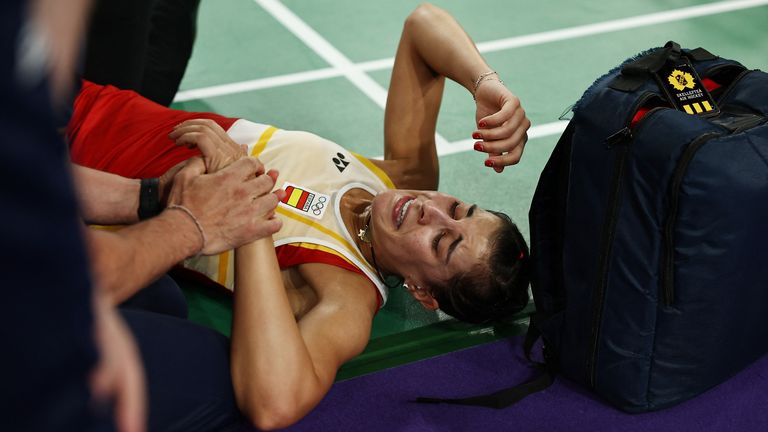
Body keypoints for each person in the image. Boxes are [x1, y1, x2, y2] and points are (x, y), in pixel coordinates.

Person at [68, 4, 531, 429]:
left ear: (421, 291)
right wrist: (484, 82)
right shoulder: (398, 177)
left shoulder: (345, 292)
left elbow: (274, 403)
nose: (429, 210)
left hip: (66, 179)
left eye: (441, 242)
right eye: (458, 208)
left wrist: (247, 204)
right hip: (83, 99)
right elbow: (422, 25)